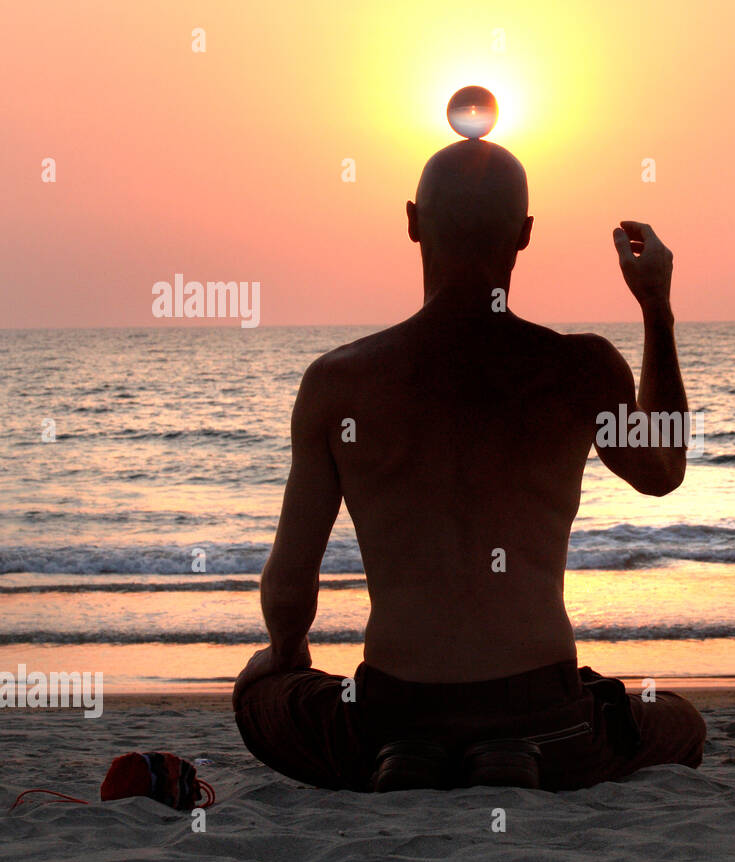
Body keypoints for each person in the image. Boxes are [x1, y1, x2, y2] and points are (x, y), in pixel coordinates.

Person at [232, 139, 705, 791]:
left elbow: (289, 587)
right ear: (526, 234)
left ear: (412, 222)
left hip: (389, 716)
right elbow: (664, 467)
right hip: (545, 716)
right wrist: (656, 308)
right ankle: (510, 751)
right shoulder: (581, 369)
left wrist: (284, 658)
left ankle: (414, 753)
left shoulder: (337, 383)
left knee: (259, 692)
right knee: (678, 721)